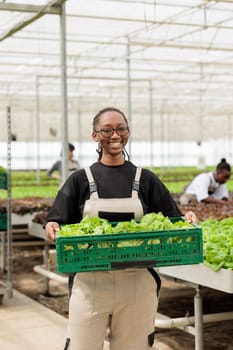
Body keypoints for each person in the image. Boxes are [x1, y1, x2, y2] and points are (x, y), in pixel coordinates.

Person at [45, 107, 198, 350]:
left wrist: (186, 219)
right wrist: (52, 225)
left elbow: (172, 220)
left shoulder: (145, 179)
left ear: (128, 132)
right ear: (95, 135)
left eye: (121, 129)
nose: (115, 135)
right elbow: (57, 220)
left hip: (137, 282)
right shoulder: (80, 179)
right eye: (107, 130)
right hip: (90, 282)